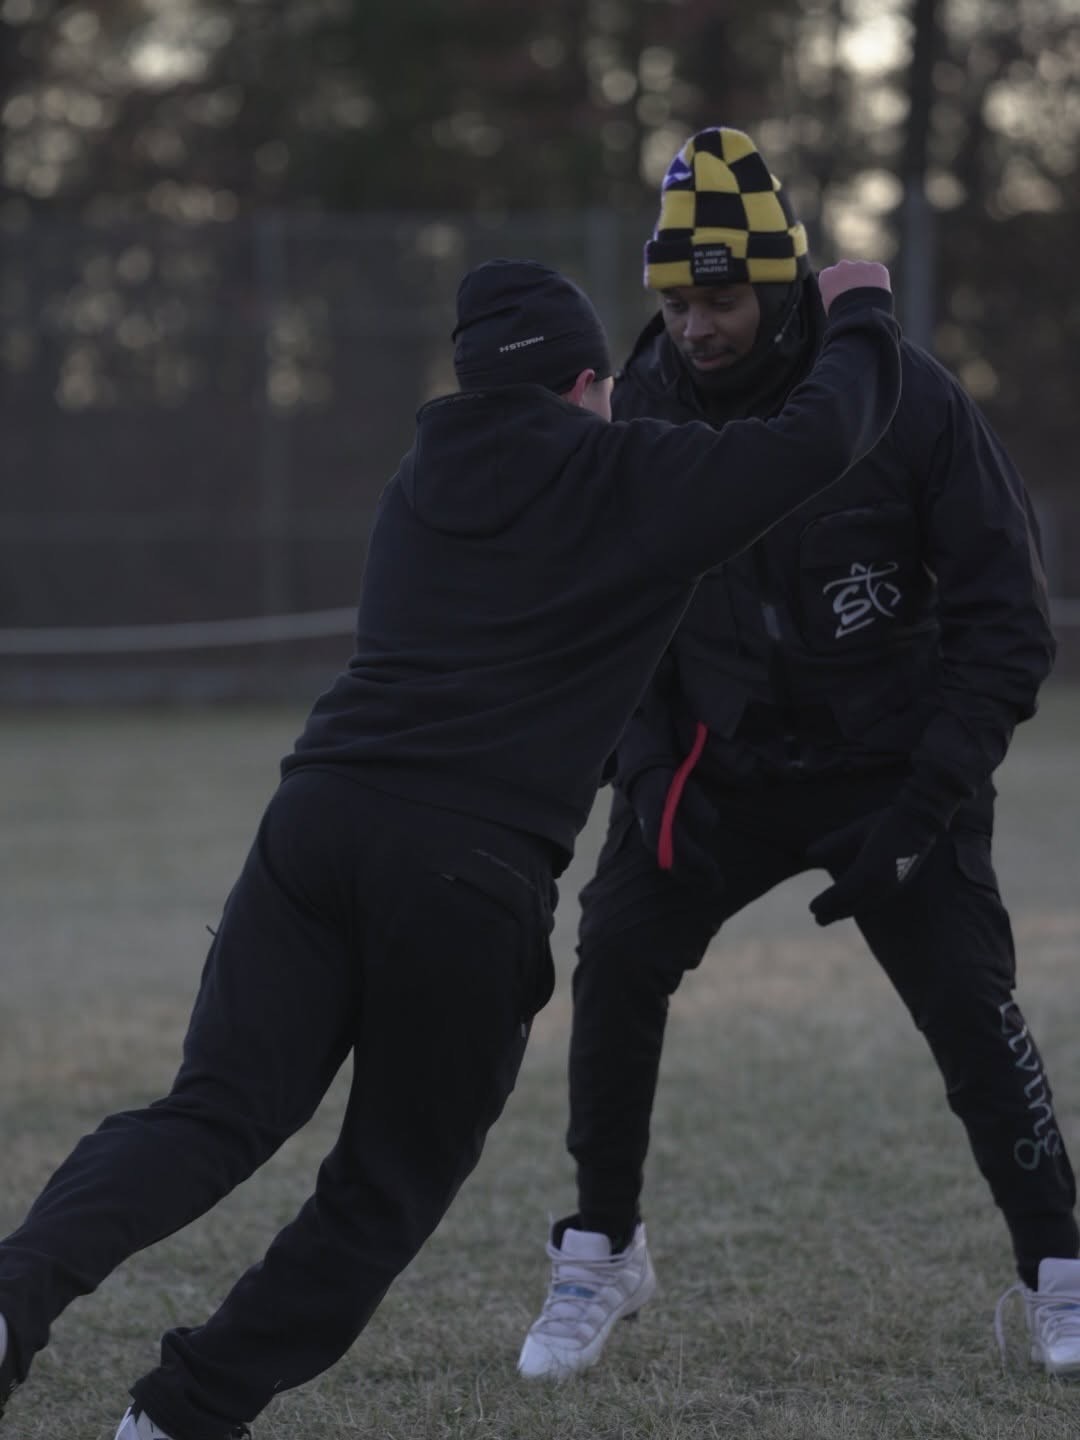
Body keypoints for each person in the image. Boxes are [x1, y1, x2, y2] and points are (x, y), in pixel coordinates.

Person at [0, 255, 900, 1439]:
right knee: (386, 1187)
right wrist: (862, 312)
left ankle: (12, 1296)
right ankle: (180, 1416)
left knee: (209, 1115)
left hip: (314, 822)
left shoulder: (420, 478)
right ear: (588, 382)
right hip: (467, 869)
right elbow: (815, 442)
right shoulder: (624, 475)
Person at [517, 126, 1080, 1383]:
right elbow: (606, 606)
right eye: (675, 297)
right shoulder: (643, 401)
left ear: (780, 284)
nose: (695, 325)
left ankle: (1060, 1266)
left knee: (971, 1006)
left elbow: (1005, 617)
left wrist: (934, 794)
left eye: (719, 297)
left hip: (892, 773)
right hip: (716, 766)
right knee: (613, 959)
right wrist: (648, 763)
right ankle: (601, 1246)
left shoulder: (907, 396)